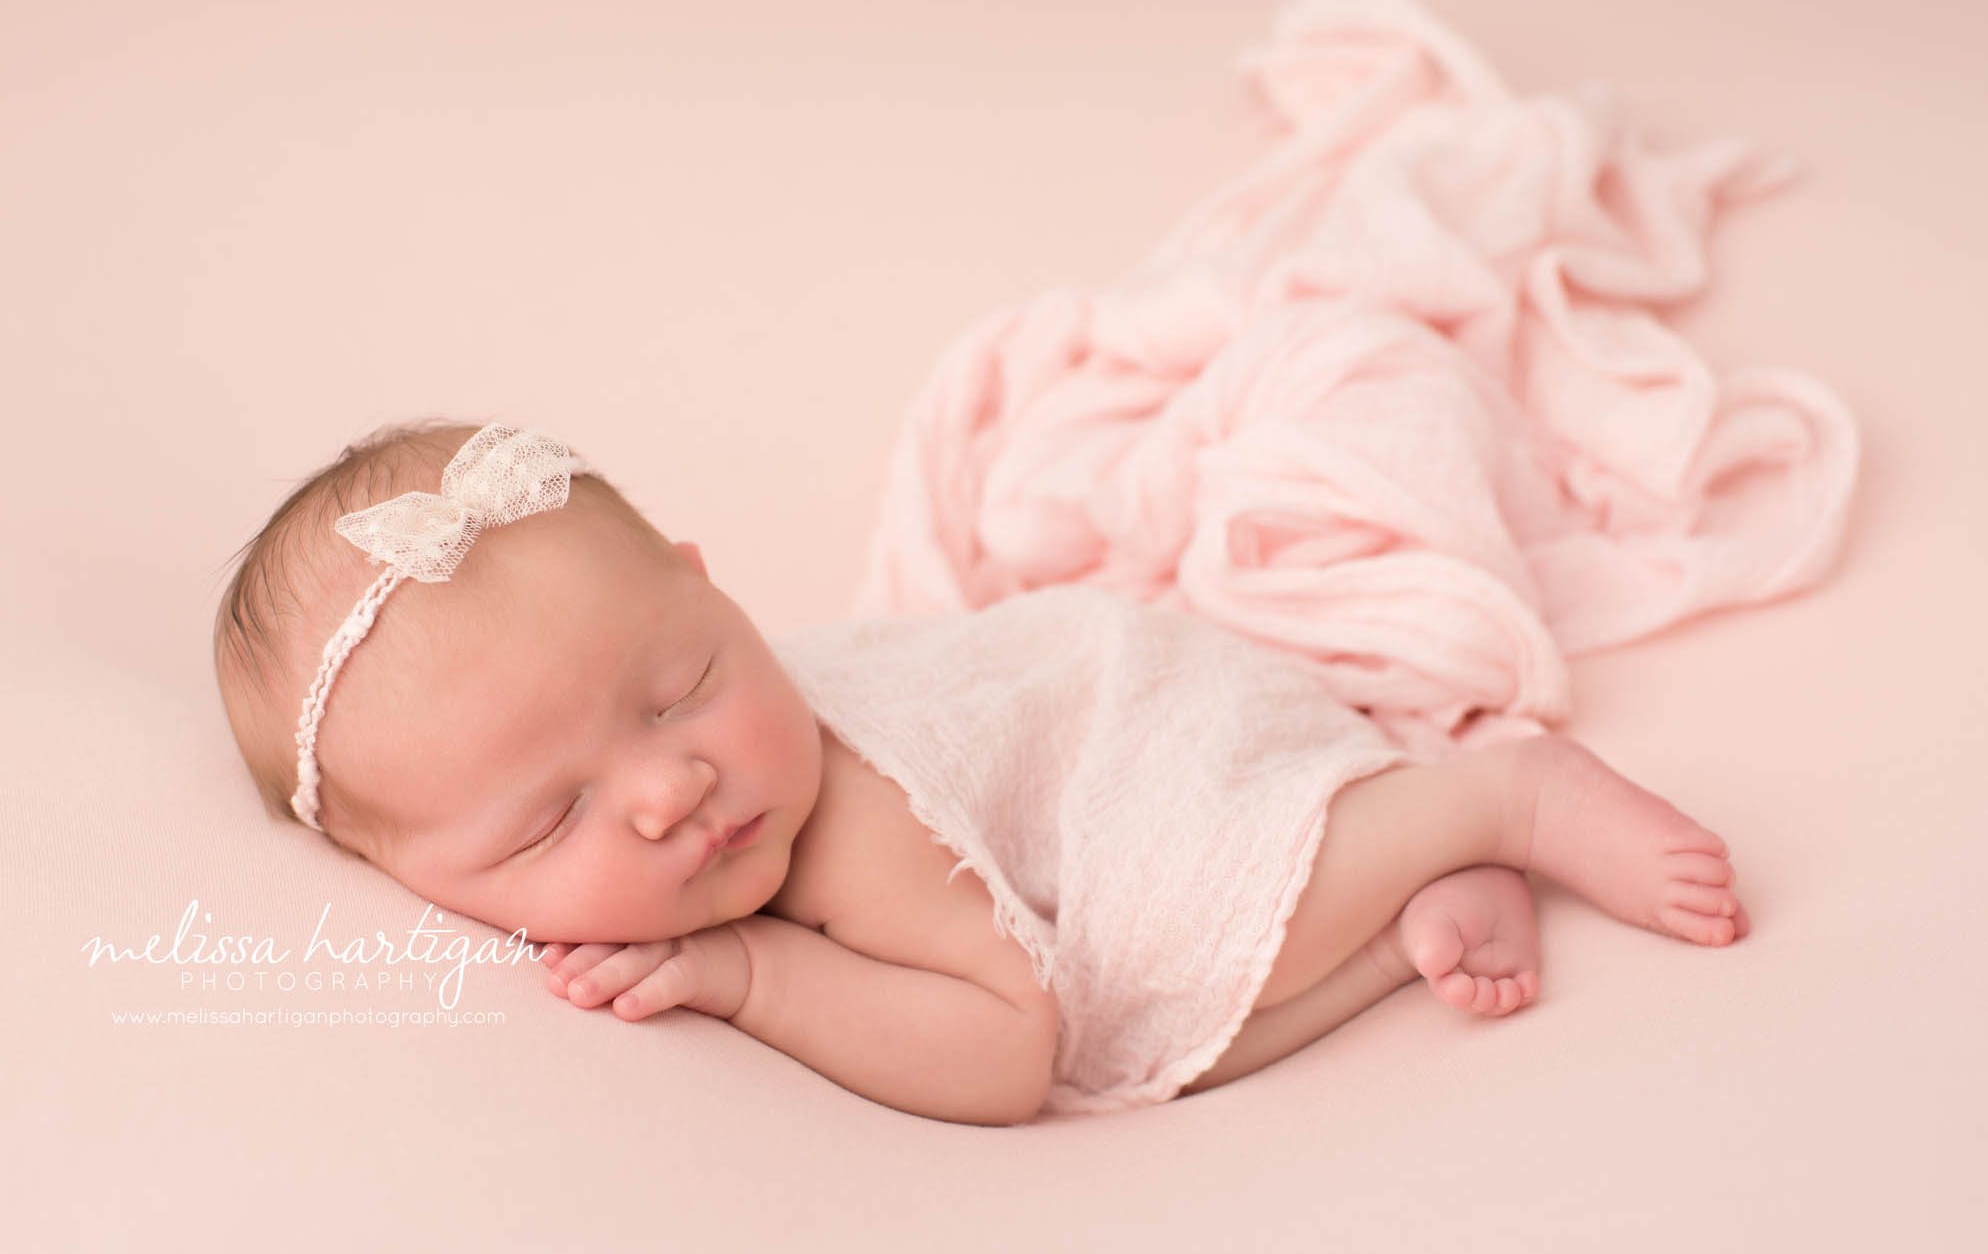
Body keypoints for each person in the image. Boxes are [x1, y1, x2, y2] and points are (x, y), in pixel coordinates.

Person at [213, 420, 1747, 1126]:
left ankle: (1498, 800)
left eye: (684, 685)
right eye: (552, 819)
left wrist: (754, 977)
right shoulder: (689, 779)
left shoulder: (847, 829)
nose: (670, 790)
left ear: (711, 586)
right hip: (1096, 769)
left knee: (1135, 975)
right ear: (411, 882)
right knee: (1180, 1039)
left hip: (1136, 740)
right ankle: (1409, 870)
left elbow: (1010, 1053)